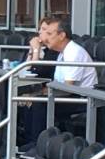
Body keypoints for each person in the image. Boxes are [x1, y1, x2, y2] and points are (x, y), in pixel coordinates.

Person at [18, 14, 96, 148]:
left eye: (49, 33)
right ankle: (29, 141)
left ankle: (38, 145)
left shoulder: (73, 52)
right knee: (30, 100)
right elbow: (56, 84)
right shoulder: (62, 53)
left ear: (62, 35)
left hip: (82, 99)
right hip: (69, 95)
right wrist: (35, 95)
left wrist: (38, 97)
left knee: (39, 104)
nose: (46, 37)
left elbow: (67, 88)